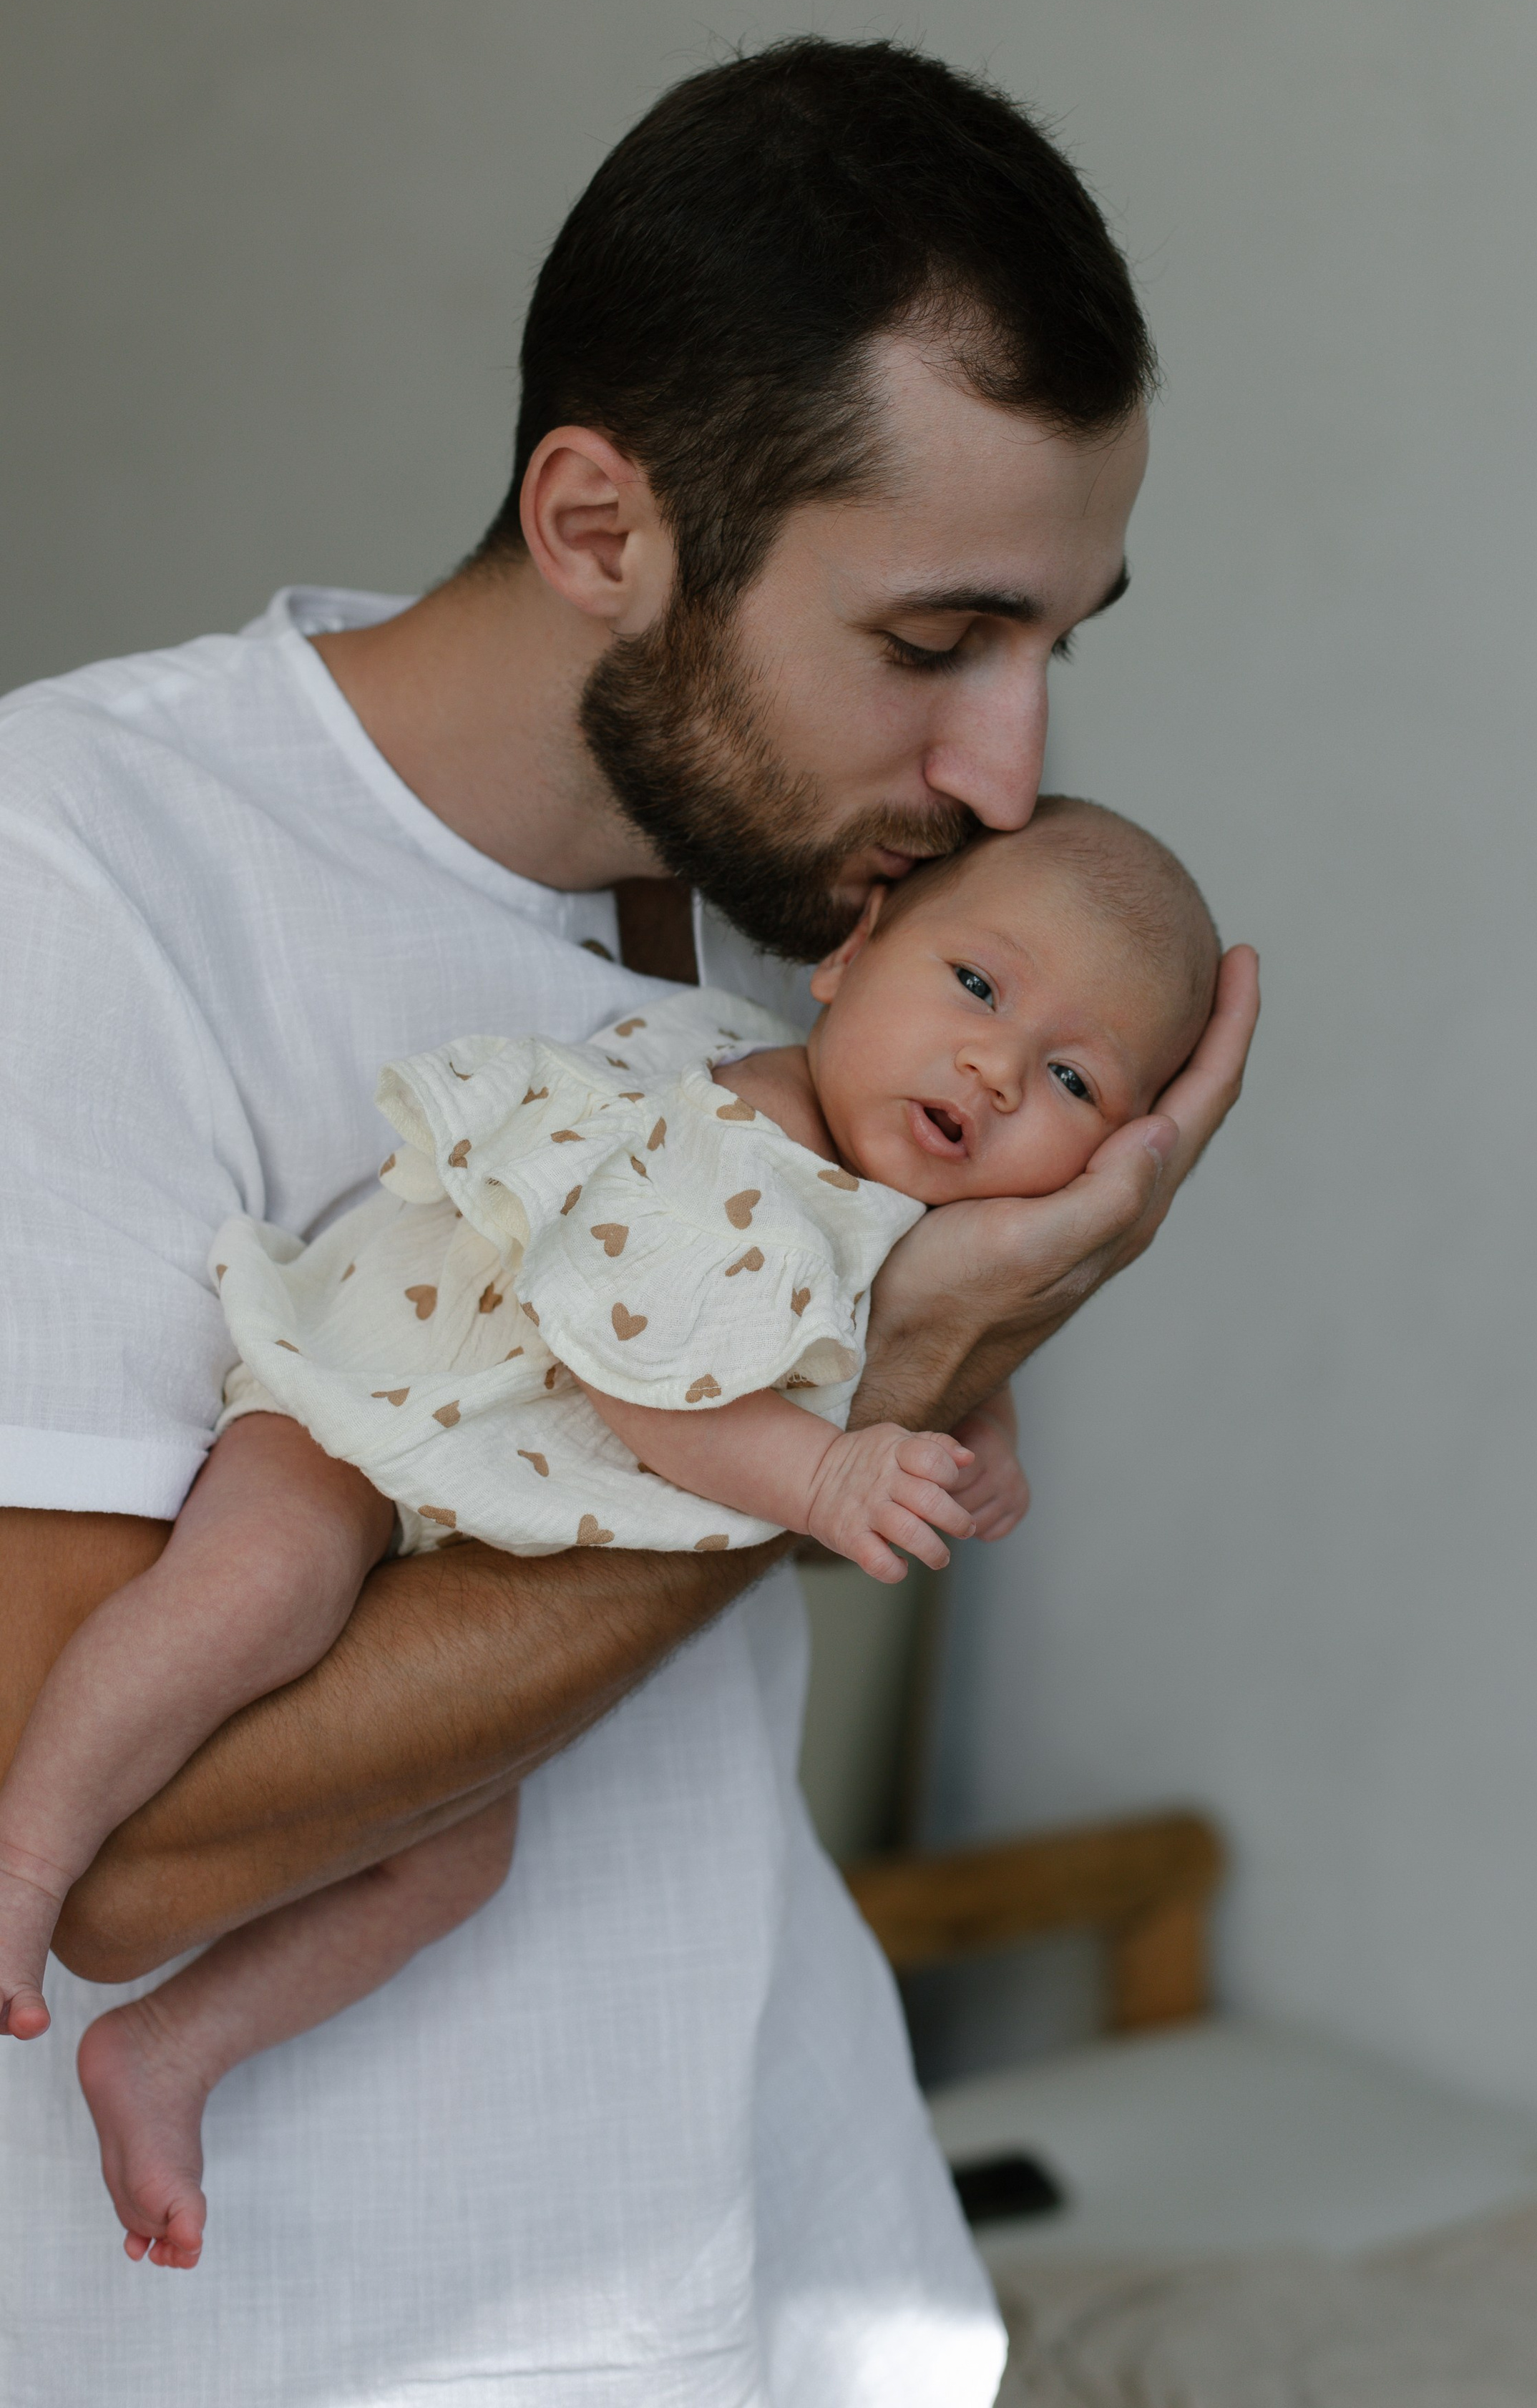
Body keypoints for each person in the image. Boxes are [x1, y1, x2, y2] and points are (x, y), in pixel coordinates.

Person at [0, 38, 1259, 2405]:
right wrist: (869, 1387)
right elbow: (123, 1868)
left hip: (792, 2284)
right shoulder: (76, 877)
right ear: (602, 528)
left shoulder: (791, 947)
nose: (1009, 772)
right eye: (931, 642)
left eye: (1053, 646)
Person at [0, 801, 1221, 2271]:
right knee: (261, 1585)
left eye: (1073, 1078)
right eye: (976, 986)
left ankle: (171, 2052)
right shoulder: (736, 1139)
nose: (997, 1065)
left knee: (453, 1857)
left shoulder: (898, 1222)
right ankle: (24, 1854)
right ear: (849, 954)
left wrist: (979, 1416)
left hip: (473, 1522)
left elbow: (915, 1336)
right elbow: (649, 1391)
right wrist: (832, 1477)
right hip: (378, 1402)